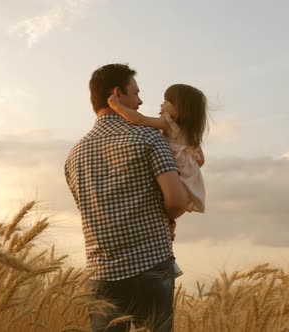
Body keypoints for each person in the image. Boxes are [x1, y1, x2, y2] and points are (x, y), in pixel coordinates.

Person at [64, 63, 189, 332]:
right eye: (136, 92)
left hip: (101, 273)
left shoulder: (74, 155)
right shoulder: (148, 136)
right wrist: (166, 220)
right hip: (151, 264)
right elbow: (178, 201)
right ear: (117, 93)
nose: (141, 100)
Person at [107, 84, 208, 278]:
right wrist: (188, 172)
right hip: (186, 178)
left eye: (167, 101)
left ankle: (163, 257)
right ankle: (167, 254)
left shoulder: (168, 123)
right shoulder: (189, 131)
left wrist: (116, 107)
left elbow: (140, 119)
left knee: (160, 209)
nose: (162, 103)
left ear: (179, 108)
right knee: (168, 218)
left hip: (174, 173)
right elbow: (201, 159)